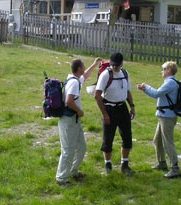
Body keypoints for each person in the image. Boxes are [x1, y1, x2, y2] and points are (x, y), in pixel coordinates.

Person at [56, 57, 102, 186]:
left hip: (73, 121)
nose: (84, 68)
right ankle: (61, 178)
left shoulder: (74, 79)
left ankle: (73, 171)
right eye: (83, 66)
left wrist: (94, 64)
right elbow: (69, 101)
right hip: (68, 121)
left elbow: (85, 76)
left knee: (81, 147)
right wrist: (79, 111)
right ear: (79, 69)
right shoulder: (74, 83)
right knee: (68, 150)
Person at [136, 61, 181, 179]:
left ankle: (175, 168)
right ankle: (162, 163)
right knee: (157, 140)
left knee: (168, 142)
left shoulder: (170, 83)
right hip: (164, 115)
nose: (161, 70)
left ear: (169, 70)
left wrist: (145, 87)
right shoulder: (170, 82)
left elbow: (156, 93)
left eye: (163, 68)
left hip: (167, 116)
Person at [94, 52, 136, 175]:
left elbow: (127, 91)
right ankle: (108, 164)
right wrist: (104, 114)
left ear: (121, 64)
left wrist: (132, 106)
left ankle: (125, 164)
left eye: (118, 65)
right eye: (113, 65)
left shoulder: (125, 73)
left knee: (127, 137)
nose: (115, 67)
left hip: (122, 107)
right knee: (108, 138)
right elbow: (97, 96)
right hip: (109, 108)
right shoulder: (105, 75)